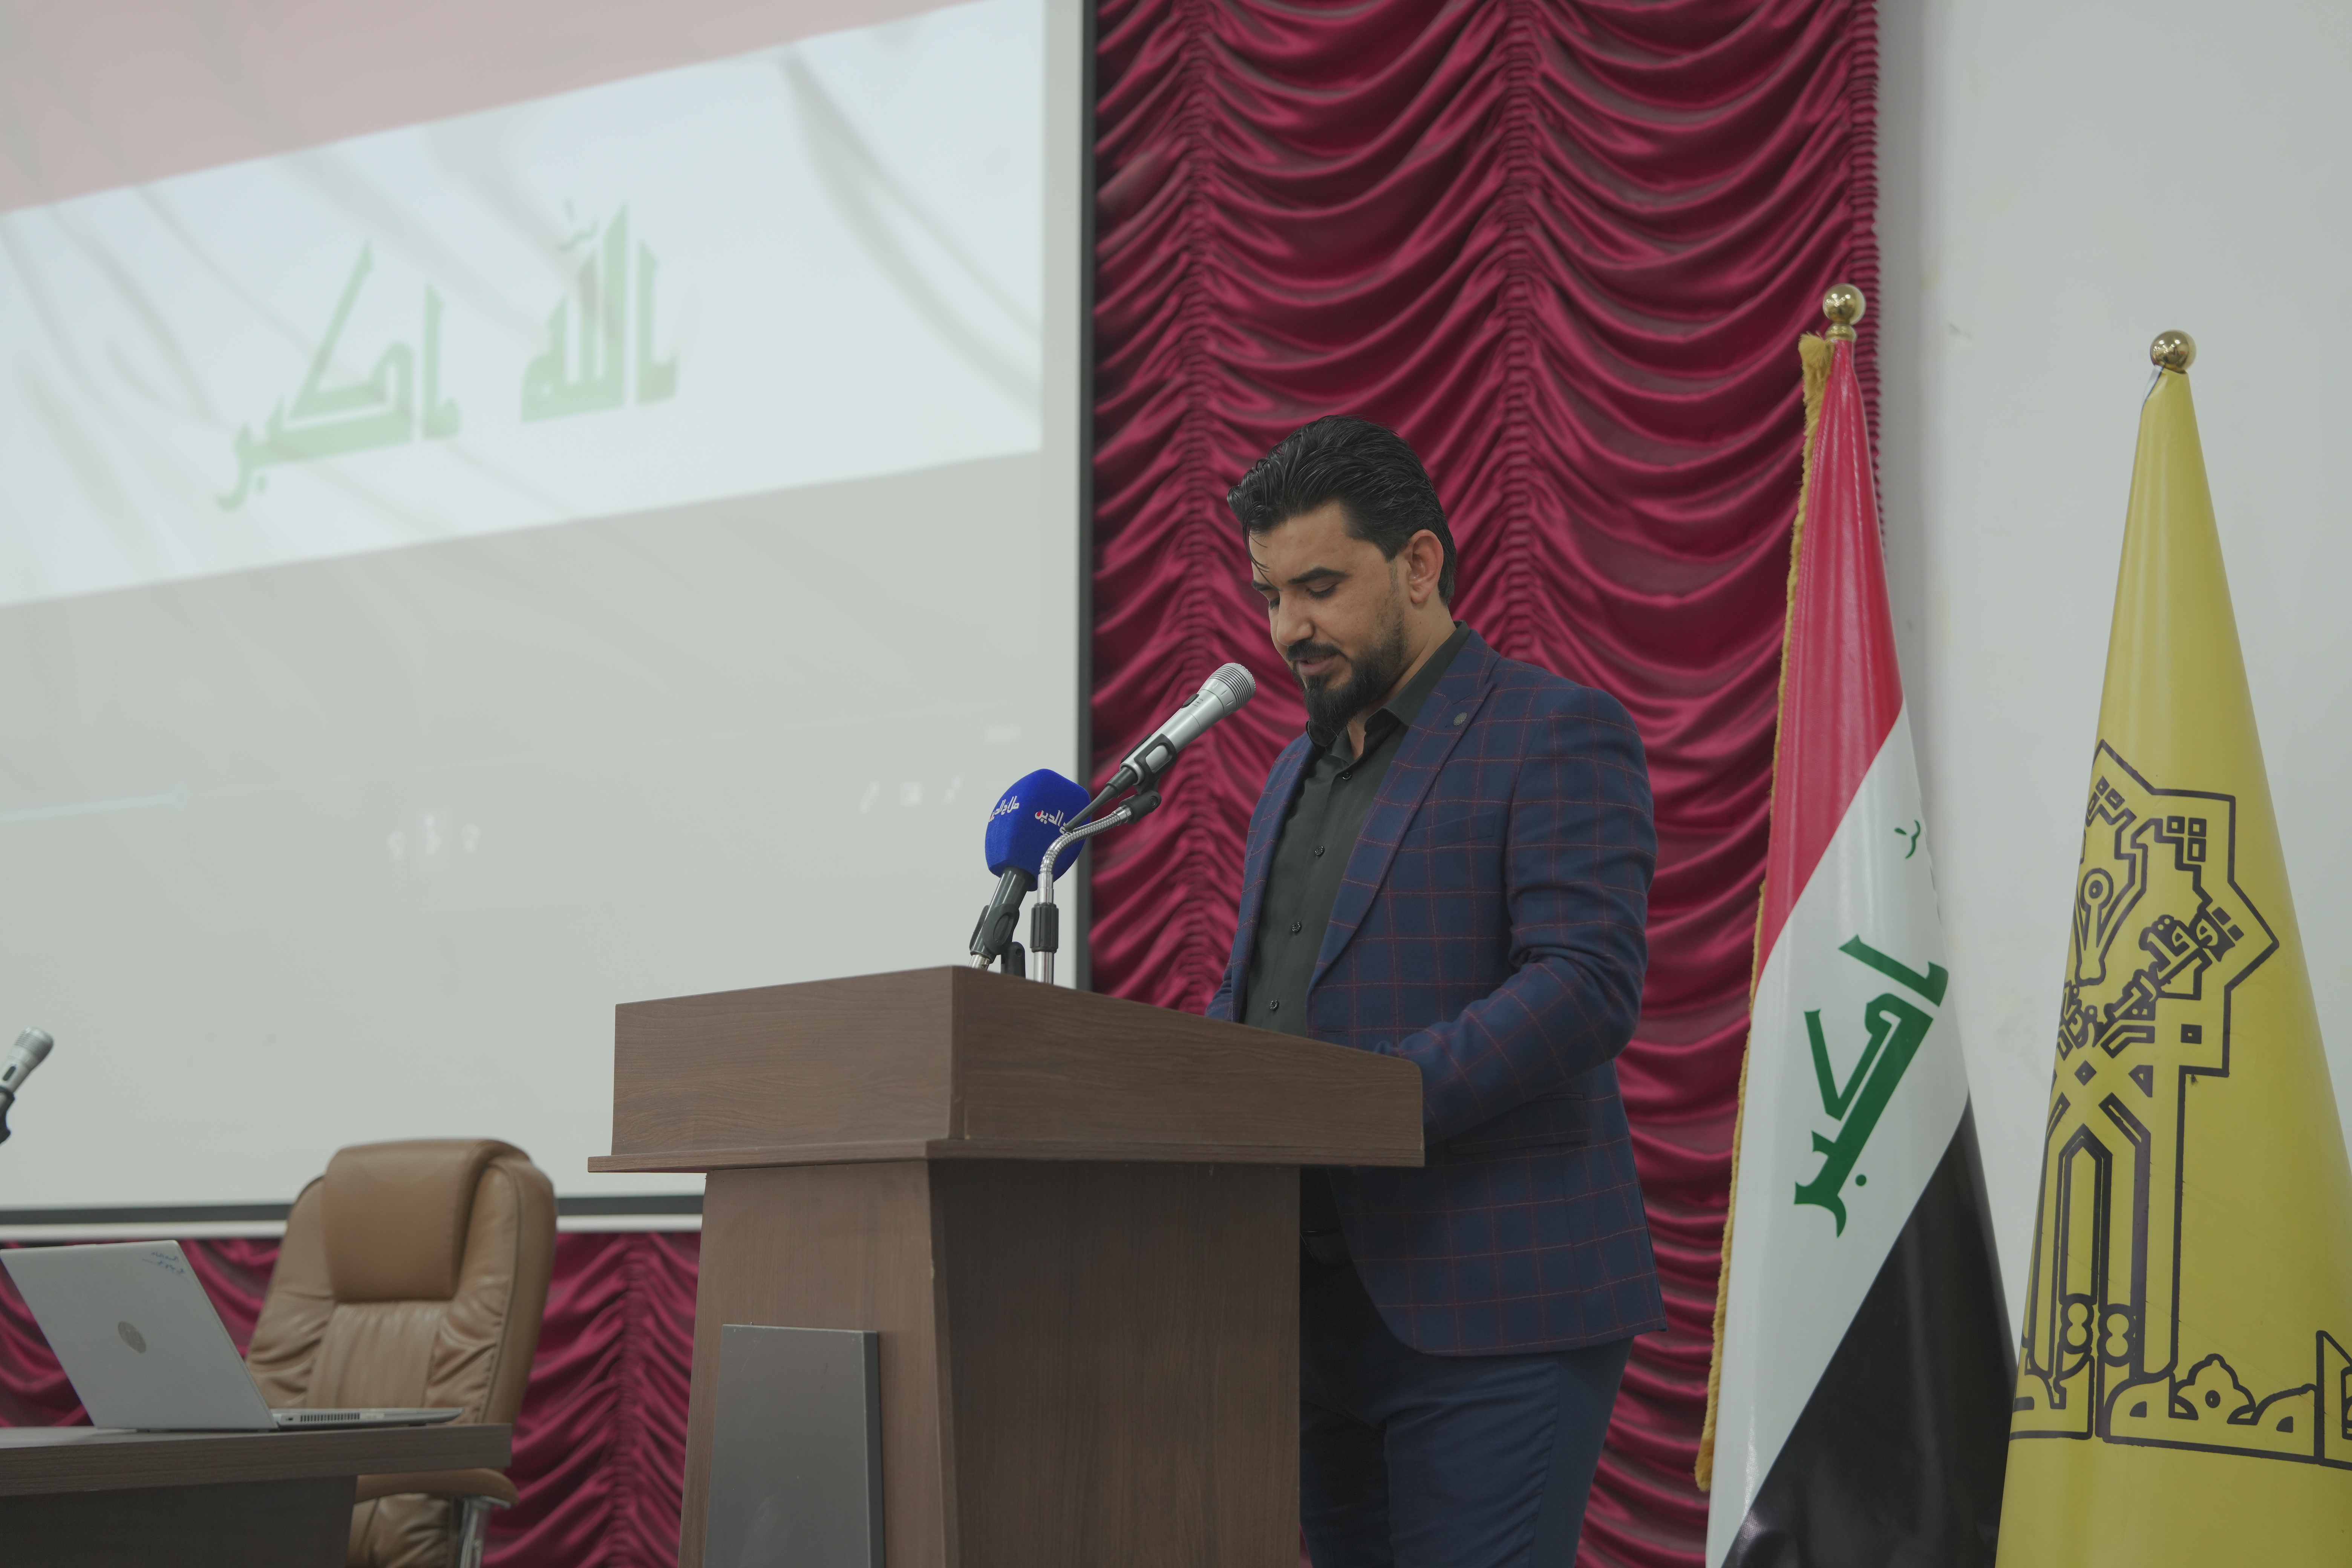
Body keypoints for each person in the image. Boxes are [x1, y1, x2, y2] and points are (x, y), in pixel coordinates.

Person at [1206, 416, 1663, 1567]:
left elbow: (1584, 984)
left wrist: (1362, 1106)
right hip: (1307, 1311)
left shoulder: (1554, 729)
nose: (1289, 628)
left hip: (1494, 1309)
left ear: (1418, 564)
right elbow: (1259, 1001)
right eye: (1271, 595)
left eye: (1320, 587)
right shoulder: (1291, 771)